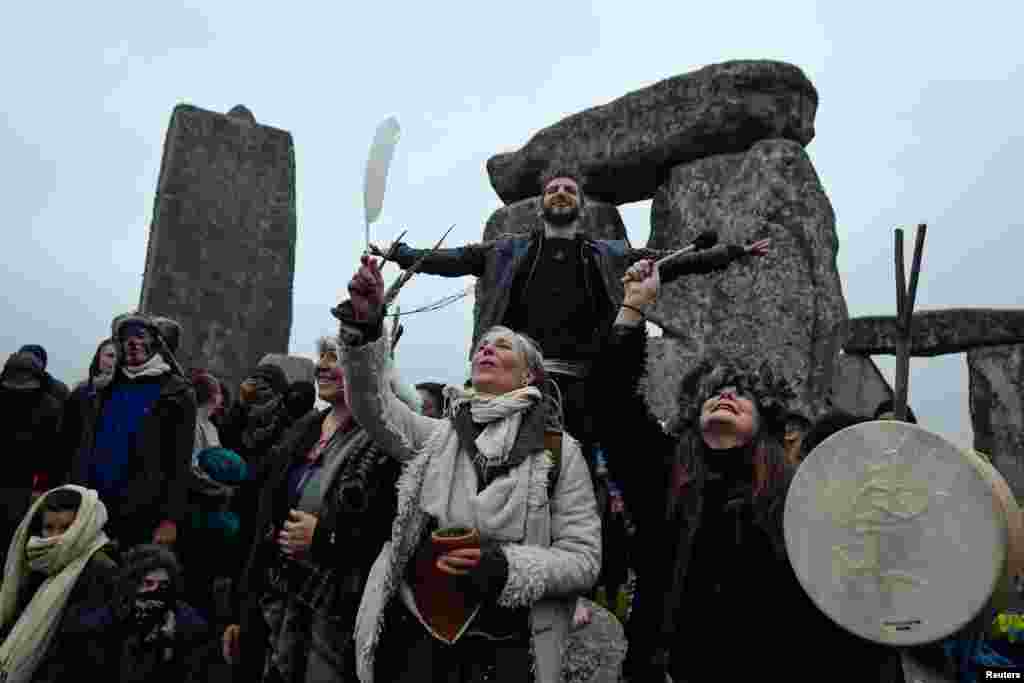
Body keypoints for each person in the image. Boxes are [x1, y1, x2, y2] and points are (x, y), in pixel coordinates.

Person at [601, 259, 901, 682]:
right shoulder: (662, 474)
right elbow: (612, 404)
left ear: (766, 419)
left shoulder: (800, 496)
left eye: (741, 392)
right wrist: (634, 308)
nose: (726, 394)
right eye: (716, 390)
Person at [338, 255, 601, 683]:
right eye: (481, 345)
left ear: (528, 376)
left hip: (505, 652)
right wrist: (364, 331)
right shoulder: (440, 435)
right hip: (416, 640)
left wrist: (504, 568)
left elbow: (585, 559)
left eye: (502, 346)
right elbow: (374, 408)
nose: (486, 349)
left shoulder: (560, 452)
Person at [222, 335, 403, 683]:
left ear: (369, 369)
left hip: (337, 608)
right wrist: (240, 610)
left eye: (335, 357)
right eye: (321, 356)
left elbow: (390, 532)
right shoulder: (303, 429)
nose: (322, 365)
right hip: (277, 595)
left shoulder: (386, 441)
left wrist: (325, 537)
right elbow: (262, 524)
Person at [69, 313, 196, 550]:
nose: (133, 343)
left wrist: (170, 519)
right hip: (92, 504)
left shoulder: (177, 392)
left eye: (140, 336)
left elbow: (180, 461)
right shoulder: (105, 387)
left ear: (155, 342)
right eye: (126, 338)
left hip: (142, 511)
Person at [0, 486, 119, 683]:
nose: (56, 538)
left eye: (66, 528)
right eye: (49, 528)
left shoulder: (101, 570)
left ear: (83, 526)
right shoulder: (34, 562)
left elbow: (86, 649)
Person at [50, 544, 217, 683]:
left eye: (163, 585)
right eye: (149, 583)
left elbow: (200, 634)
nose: (156, 591)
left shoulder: (180, 615)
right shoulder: (109, 614)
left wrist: (171, 642)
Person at [0, 353, 65, 561]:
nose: (19, 391)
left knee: (16, 546)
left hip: (29, 488)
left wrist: (41, 487)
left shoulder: (51, 408)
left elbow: (54, 455)